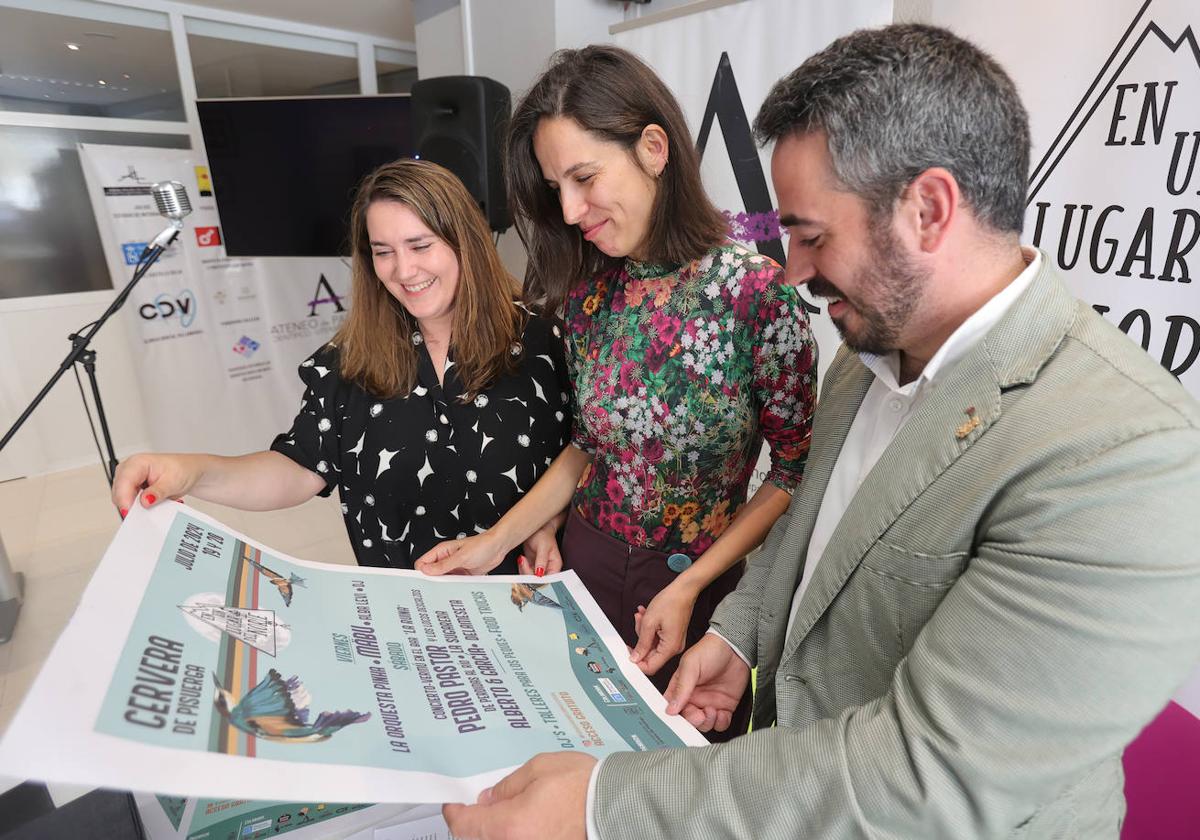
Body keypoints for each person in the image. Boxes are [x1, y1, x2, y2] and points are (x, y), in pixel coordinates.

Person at [439, 24, 1200, 840]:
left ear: (929, 210)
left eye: (811, 235)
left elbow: (925, 775)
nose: (793, 272)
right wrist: (735, 636)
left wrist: (602, 805)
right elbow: (811, 537)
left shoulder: (1125, 455)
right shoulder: (862, 365)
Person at [416, 45, 818, 736]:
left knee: (674, 774)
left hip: (700, 582)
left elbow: (790, 473)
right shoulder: (590, 291)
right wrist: (495, 540)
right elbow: (586, 446)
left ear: (654, 148)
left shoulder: (755, 293)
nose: (570, 211)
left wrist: (692, 585)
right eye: (556, 188)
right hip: (586, 561)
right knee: (569, 746)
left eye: (583, 177)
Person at [112, 159, 571, 574]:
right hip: (406, 615)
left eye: (420, 245)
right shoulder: (349, 361)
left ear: (464, 242)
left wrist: (547, 520)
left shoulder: (544, 341)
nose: (404, 270)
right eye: (383, 251)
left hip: (525, 599)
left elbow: (589, 455)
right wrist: (195, 470)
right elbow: (299, 468)